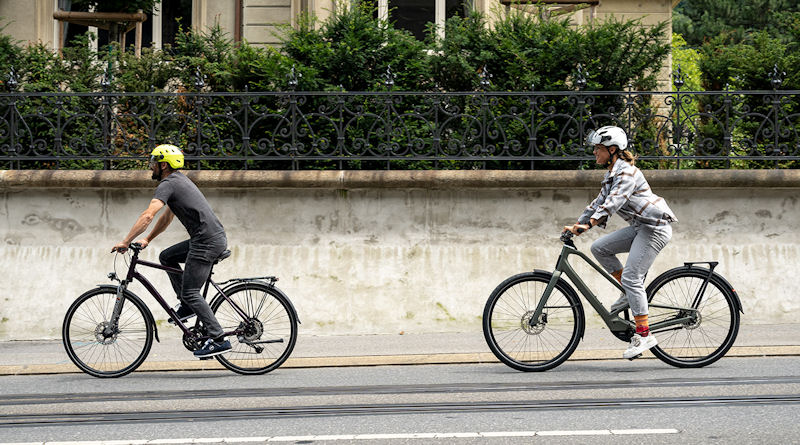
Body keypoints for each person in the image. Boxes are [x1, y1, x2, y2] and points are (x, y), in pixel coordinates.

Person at [563, 126, 677, 359]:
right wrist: (578, 224)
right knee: (600, 248)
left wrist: (590, 224)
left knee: (632, 277)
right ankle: (629, 292)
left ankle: (644, 335)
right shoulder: (612, 174)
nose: (594, 152)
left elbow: (614, 202)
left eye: (598, 148)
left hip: (654, 229)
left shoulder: (626, 173)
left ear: (612, 149)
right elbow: (598, 202)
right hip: (640, 227)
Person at [112, 144, 232, 359]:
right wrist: (147, 238)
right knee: (166, 257)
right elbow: (167, 216)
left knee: (191, 291)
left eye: (153, 163)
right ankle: (187, 306)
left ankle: (218, 339)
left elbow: (149, 215)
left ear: (163, 165)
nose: (151, 167)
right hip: (207, 239)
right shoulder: (179, 181)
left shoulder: (168, 184)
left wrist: (125, 241)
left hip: (206, 242)